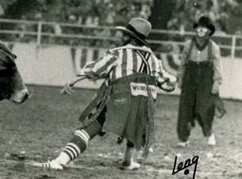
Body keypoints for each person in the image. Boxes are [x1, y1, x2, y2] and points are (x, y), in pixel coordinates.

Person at [39, 18, 176, 170]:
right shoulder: (155, 61)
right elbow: (169, 84)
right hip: (144, 108)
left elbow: (96, 69)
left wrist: (74, 80)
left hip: (121, 101)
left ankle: (60, 161)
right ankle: (128, 161)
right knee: (139, 119)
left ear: (129, 37)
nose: (121, 37)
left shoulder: (118, 54)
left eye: (124, 34)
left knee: (89, 127)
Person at [176, 16, 222, 147]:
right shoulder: (187, 45)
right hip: (190, 79)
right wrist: (180, 79)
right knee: (185, 109)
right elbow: (183, 64)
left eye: (204, 27)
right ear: (196, 29)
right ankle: (183, 138)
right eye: (199, 27)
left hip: (205, 80)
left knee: (204, 109)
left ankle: (209, 134)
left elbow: (217, 67)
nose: (201, 30)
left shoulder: (214, 47)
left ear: (209, 31)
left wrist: (216, 83)